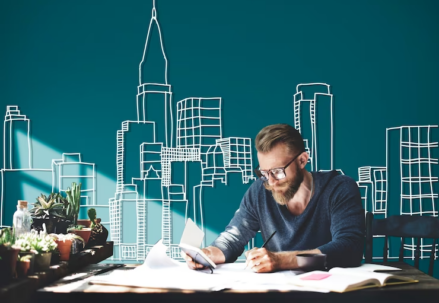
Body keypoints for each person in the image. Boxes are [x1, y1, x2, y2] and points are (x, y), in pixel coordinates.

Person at [185, 124, 365, 273]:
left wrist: (282, 260)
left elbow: (349, 248)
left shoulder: (339, 188)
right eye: (264, 173)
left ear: (302, 160)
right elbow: (233, 239)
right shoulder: (260, 191)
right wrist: (208, 253)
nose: (270, 182)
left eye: (278, 171)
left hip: (331, 292)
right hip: (278, 292)